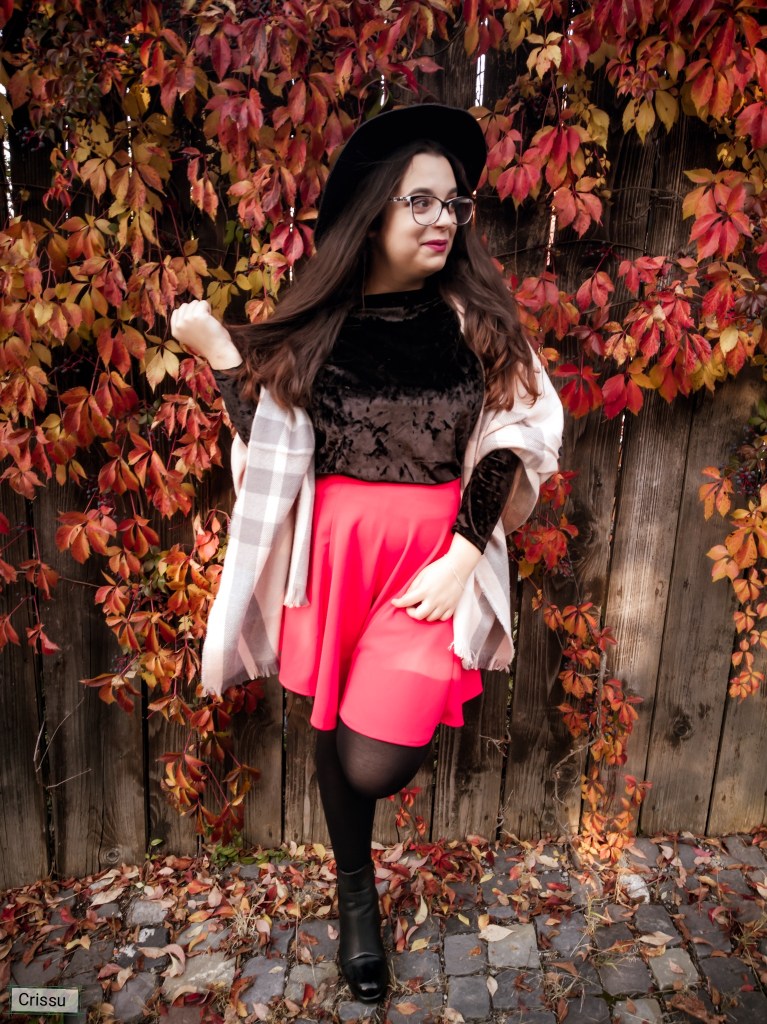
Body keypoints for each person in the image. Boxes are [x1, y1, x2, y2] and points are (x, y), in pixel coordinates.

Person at [170, 103, 563, 1004]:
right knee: (331, 716)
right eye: (419, 201)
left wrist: (463, 553)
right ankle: (357, 901)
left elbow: (516, 435)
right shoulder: (319, 327)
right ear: (372, 213)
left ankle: (354, 880)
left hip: (431, 568)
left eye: (451, 203)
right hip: (332, 562)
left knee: (376, 759)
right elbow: (272, 442)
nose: (440, 218)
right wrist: (222, 354)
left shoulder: (476, 321)